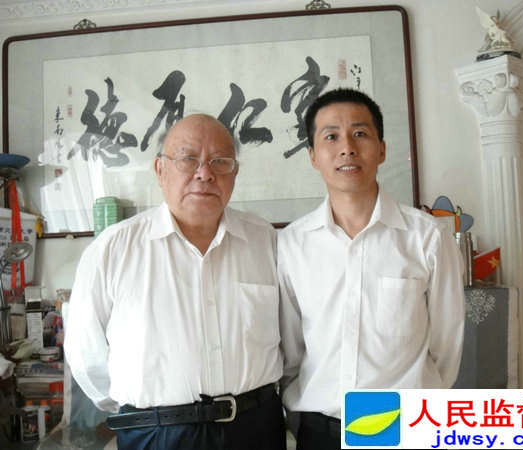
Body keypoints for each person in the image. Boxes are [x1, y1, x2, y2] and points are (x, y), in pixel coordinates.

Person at [64, 114, 286, 450]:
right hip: (156, 434)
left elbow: (291, 336)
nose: (205, 173)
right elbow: (85, 353)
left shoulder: (264, 240)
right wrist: (147, 412)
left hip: (254, 428)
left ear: (234, 172)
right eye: (188, 159)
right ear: (160, 169)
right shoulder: (114, 248)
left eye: (220, 161)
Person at [278, 89, 465, 449]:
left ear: (381, 150)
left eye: (360, 133)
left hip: (403, 427)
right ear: (313, 156)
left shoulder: (427, 237)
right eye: (331, 136)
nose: (347, 148)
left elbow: (446, 346)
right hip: (321, 431)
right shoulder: (292, 244)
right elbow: (292, 351)